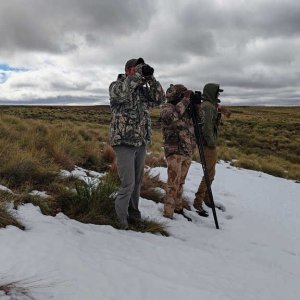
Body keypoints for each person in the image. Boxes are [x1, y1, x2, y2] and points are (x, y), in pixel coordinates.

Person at [109, 58, 165, 229]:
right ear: (127, 70)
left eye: (140, 68)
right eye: (136, 68)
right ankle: (120, 221)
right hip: (123, 142)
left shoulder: (141, 90)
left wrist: (151, 79)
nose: (139, 70)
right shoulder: (116, 85)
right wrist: (136, 77)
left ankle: (134, 215)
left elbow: (159, 99)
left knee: (137, 182)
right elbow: (123, 93)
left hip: (140, 143)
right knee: (128, 183)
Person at [160, 84, 195, 219]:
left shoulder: (186, 107)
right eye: (183, 94)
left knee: (181, 182)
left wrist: (196, 105)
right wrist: (186, 100)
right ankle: (168, 213)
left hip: (187, 149)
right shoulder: (166, 107)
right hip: (174, 150)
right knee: (173, 183)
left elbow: (201, 120)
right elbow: (171, 118)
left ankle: (178, 208)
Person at [193, 83, 226, 217]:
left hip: (207, 144)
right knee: (209, 173)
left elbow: (210, 125)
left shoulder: (209, 106)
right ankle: (198, 201)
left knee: (211, 173)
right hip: (207, 145)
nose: (218, 95)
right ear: (212, 92)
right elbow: (206, 128)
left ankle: (206, 198)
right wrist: (212, 143)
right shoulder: (207, 107)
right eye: (217, 92)